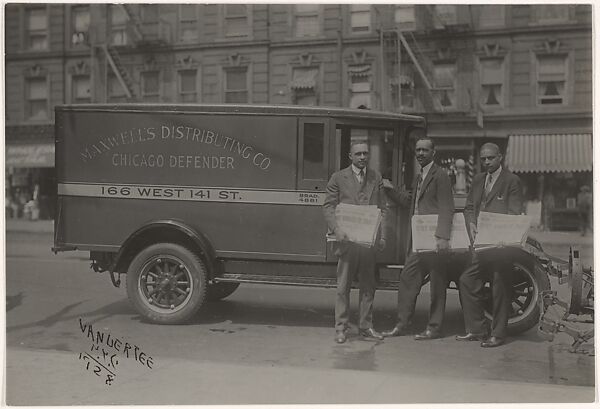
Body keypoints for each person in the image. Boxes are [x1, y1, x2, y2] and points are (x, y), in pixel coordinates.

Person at [381, 137, 454, 340]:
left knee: (437, 285)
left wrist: (442, 237)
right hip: (418, 240)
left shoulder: (441, 176)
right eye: (418, 150)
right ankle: (402, 324)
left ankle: (434, 328)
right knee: (407, 278)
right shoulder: (419, 176)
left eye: (425, 150)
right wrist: (390, 189)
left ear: (433, 152)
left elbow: (447, 207)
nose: (420, 153)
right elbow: (409, 201)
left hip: (435, 240)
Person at [457, 143, 523, 348]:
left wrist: (504, 236)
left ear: (500, 157)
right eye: (483, 159)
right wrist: (472, 224)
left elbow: (514, 212)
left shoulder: (512, 181)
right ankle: (477, 329)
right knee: (467, 280)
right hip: (481, 243)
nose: (486, 162)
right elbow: (469, 208)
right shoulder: (477, 180)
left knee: (499, 286)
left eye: (490, 158)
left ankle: (498, 334)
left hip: (501, 245)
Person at [323, 140, 387, 344]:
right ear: (350, 156)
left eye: (365, 153)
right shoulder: (338, 177)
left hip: (368, 243)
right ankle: (340, 328)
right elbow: (328, 207)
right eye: (358, 154)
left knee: (368, 286)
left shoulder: (375, 177)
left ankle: (366, 326)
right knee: (343, 287)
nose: (362, 157)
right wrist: (337, 229)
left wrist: (382, 235)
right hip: (347, 242)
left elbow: (382, 209)